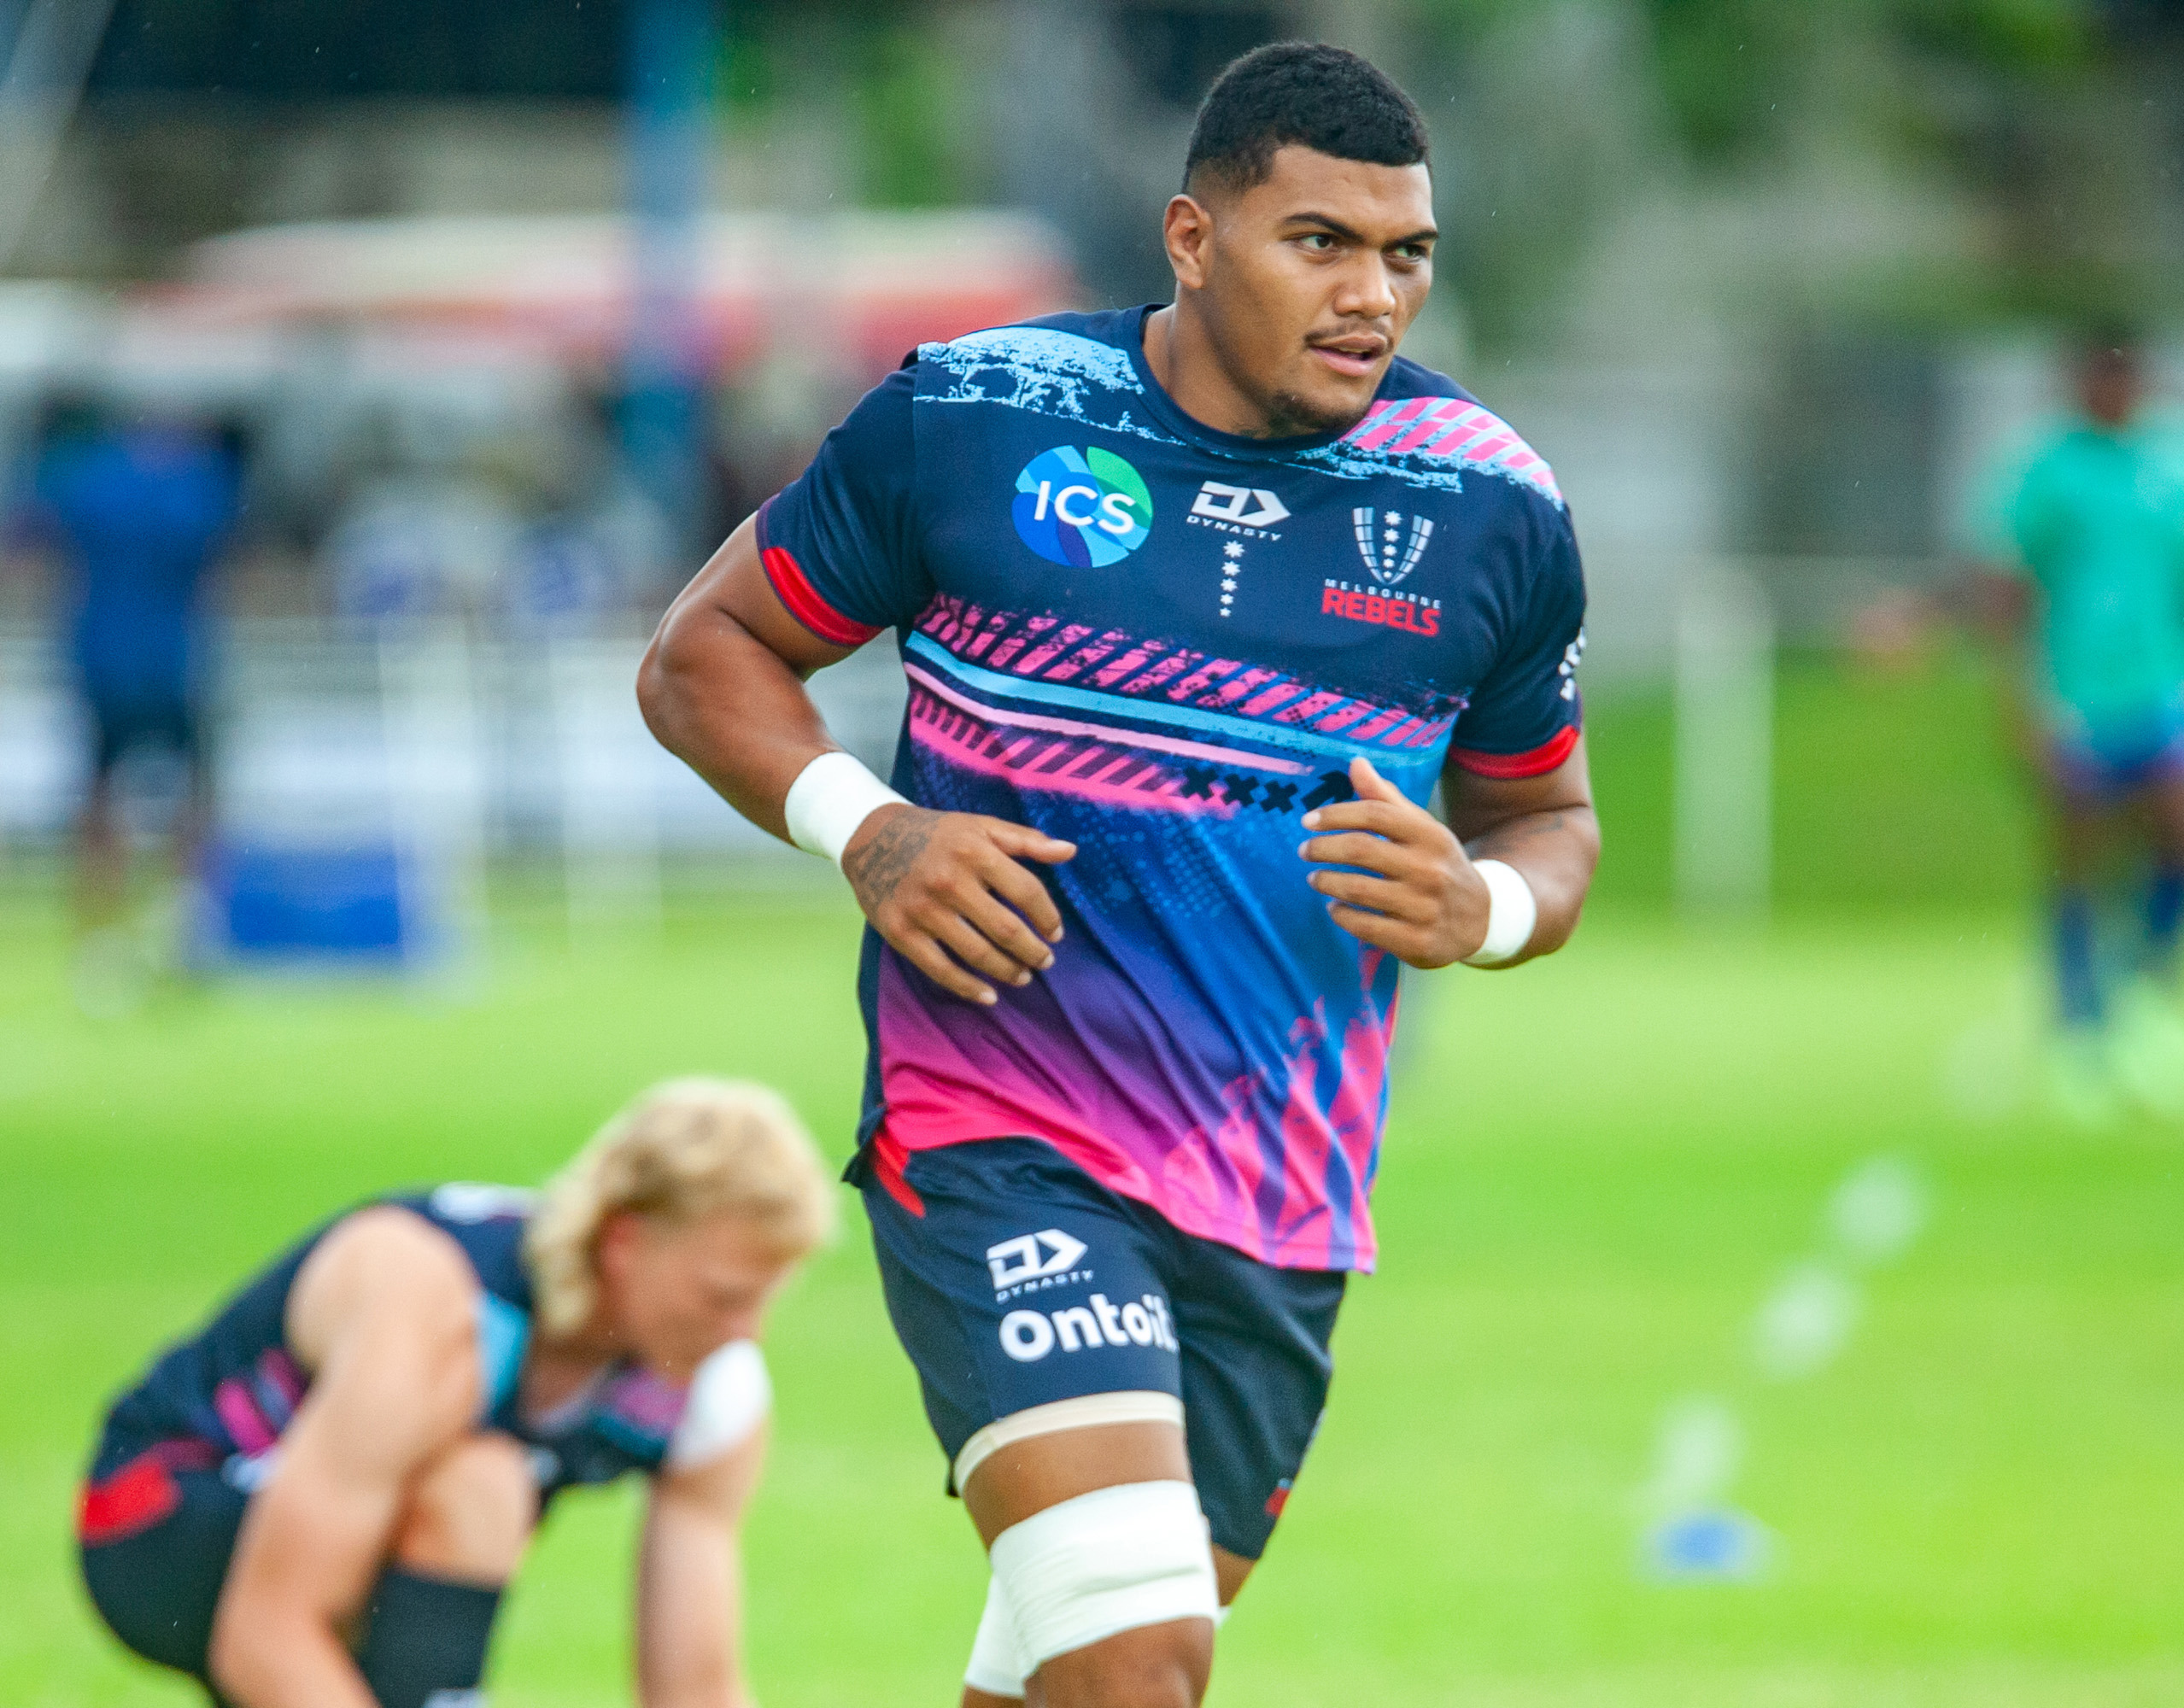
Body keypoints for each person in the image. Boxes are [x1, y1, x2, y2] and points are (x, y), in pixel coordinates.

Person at [639, 41, 1598, 1708]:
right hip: (997, 1136)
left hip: (1281, 1195)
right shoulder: (979, 417)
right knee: (1140, 1661)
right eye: (1321, 243)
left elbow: (1550, 819)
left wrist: (1486, 907)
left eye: (1407, 254)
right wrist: (867, 828)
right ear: (1191, 238)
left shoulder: (1488, 507)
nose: (1372, 295)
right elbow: (703, 654)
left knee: (1066, 1679)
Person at [75, 1079, 835, 1708]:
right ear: (623, 1242)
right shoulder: (437, 1314)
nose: (745, 1333)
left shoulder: (714, 1387)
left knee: (481, 1494)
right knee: (480, 1491)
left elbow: (695, 1692)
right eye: (722, 1296)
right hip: (152, 1512)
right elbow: (266, 1639)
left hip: (311, 1553)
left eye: (762, 1300)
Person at [1966, 324, 2184, 1120]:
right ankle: (2079, 1028)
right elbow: (2006, 586)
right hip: (2077, 697)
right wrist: (2017, 704)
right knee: (2082, 859)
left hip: (2174, 688)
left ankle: (2152, 992)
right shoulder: (2045, 468)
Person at [23, 401, 245, 1005]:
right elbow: (220, 558)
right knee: (195, 793)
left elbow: (44, 543)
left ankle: (103, 941)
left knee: (101, 796)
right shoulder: (200, 482)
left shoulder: (84, 478)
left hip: (101, 651)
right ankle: (187, 923)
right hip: (177, 658)